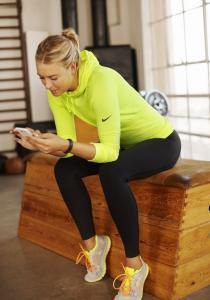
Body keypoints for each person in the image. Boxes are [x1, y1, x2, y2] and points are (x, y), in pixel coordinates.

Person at [11, 28, 181, 300]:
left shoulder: (101, 80)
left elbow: (109, 153)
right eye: (41, 77)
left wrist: (64, 144)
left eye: (53, 77)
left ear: (73, 66)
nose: (47, 84)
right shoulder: (58, 92)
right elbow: (69, 148)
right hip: (124, 146)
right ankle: (94, 246)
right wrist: (42, 145)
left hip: (159, 141)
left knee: (112, 171)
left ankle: (135, 266)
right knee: (65, 169)